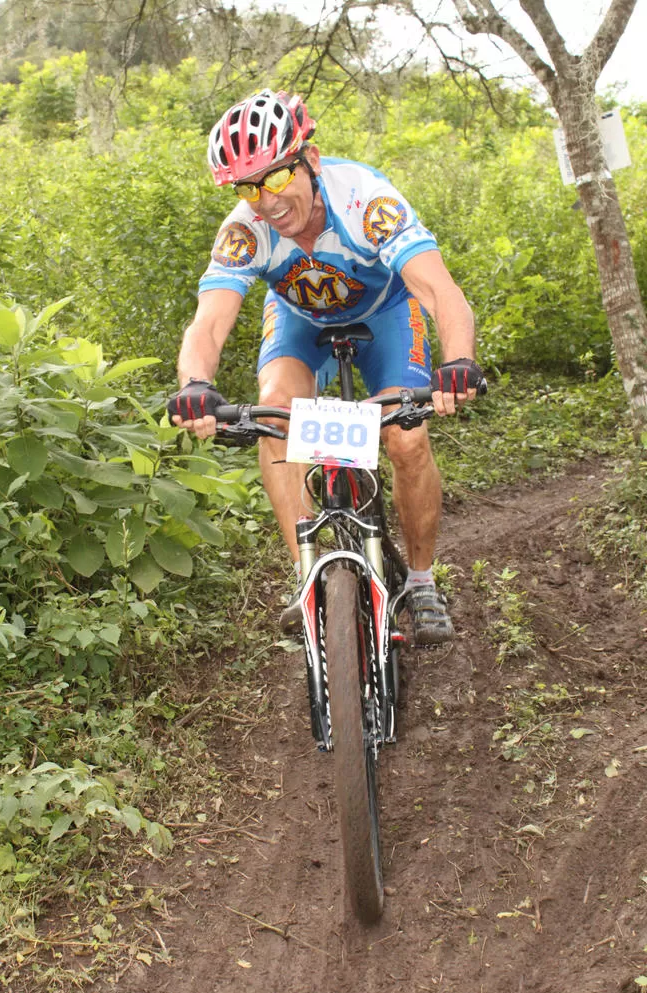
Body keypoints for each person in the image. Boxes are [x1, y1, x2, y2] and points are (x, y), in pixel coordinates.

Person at [167, 89, 483, 644]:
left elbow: (439, 290)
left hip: (385, 312)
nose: (265, 201)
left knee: (407, 441)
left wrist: (458, 361)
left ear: (309, 161)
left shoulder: (366, 200)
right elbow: (209, 323)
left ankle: (423, 580)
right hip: (298, 320)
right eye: (248, 186)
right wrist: (195, 385)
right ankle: (308, 579)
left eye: (276, 178)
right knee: (275, 418)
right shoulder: (244, 231)